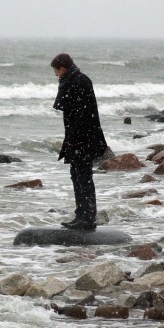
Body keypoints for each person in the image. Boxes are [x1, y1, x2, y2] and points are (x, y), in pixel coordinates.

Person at [51, 53, 108, 230]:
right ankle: (81, 214)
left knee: (84, 177)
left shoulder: (79, 82)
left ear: (63, 68)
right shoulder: (71, 81)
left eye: (56, 71)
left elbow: (81, 114)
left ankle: (88, 217)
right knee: (76, 175)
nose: (56, 75)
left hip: (84, 137)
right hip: (77, 136)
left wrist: (74, 139)